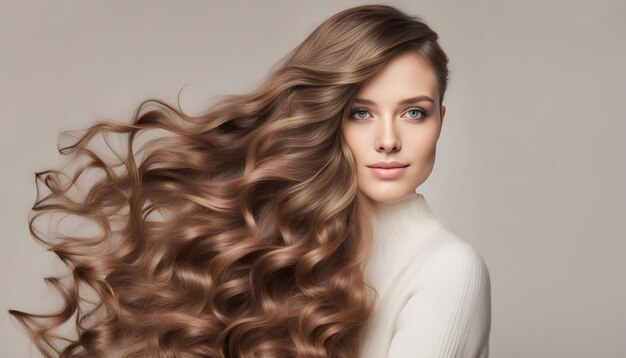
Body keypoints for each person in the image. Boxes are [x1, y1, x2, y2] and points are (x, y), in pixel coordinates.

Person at [8, 4, 491, 357]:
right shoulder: (299, 248)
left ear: (440, 121)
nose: (388, 140)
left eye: (413, 113)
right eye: (360, 112)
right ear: (326, 118)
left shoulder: (450, 271)